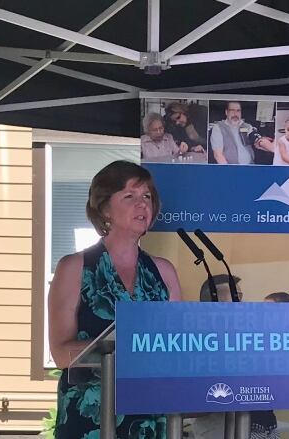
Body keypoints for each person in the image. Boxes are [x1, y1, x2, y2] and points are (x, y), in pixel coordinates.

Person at [48, 160, 182, 439]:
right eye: (130, 196)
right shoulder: (74, 267)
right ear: (104, 208)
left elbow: (177, 346)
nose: (142, 204)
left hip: (148, 415)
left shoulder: (164, 271)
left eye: (147, 196)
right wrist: (128, 349)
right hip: (91, 416)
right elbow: (61, 353)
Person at [192, 275, 280, 439]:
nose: (242, 302)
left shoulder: (248, 337)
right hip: (219, 427)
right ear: (214, 301)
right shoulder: (199, 341)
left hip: (261, 424)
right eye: (236, 296)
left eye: (241, 296)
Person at [209, 101, 274, 164]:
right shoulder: (219, 128)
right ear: (226, 112)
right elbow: (218, 155)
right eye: (232, 110)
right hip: (232, 168)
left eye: (238, 111)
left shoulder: (246, 126)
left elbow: (256, 140)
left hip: (250, 166)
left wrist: (265, 144)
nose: (235, 114)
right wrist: (228, 171)